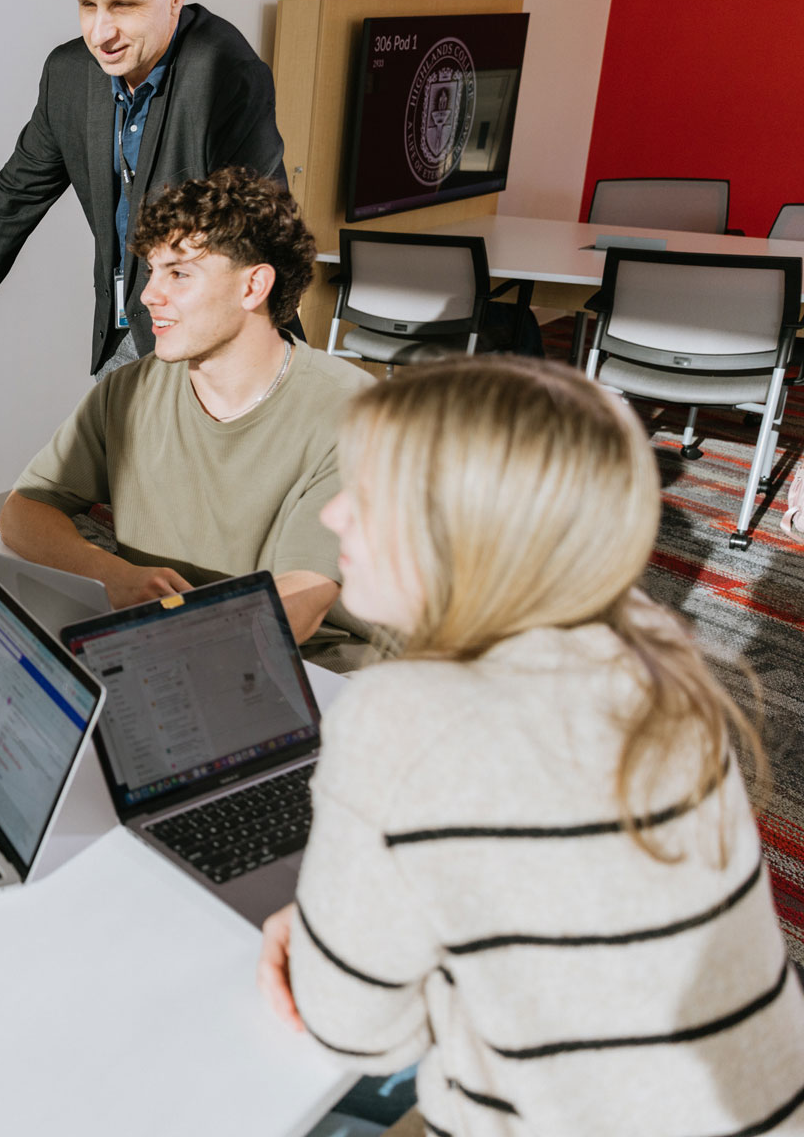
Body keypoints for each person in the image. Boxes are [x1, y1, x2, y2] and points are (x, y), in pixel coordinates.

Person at [257, 358, 804, 1136]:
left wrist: (320, 931)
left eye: (372, 498)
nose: (337, 516)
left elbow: (361, 1034)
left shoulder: (403, 715)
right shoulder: (653, 647)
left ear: (469, 532)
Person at [0, 169, 369, 658]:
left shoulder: (351, 410)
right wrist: (113, 576)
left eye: (178, 273)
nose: (150, 295)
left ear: (253, 286)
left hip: (308, 665)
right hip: (162, 640)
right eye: (152, 271)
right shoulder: (128, 391)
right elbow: (23, 511)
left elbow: (299, 605)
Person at [0, 0, 287, 378]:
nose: (100, 32)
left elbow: (265, 235)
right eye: (88, 4)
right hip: (124, 337)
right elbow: (14, 197)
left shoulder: (225, 73)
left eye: (123, 5)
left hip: (218, 346)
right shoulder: (69, 75)